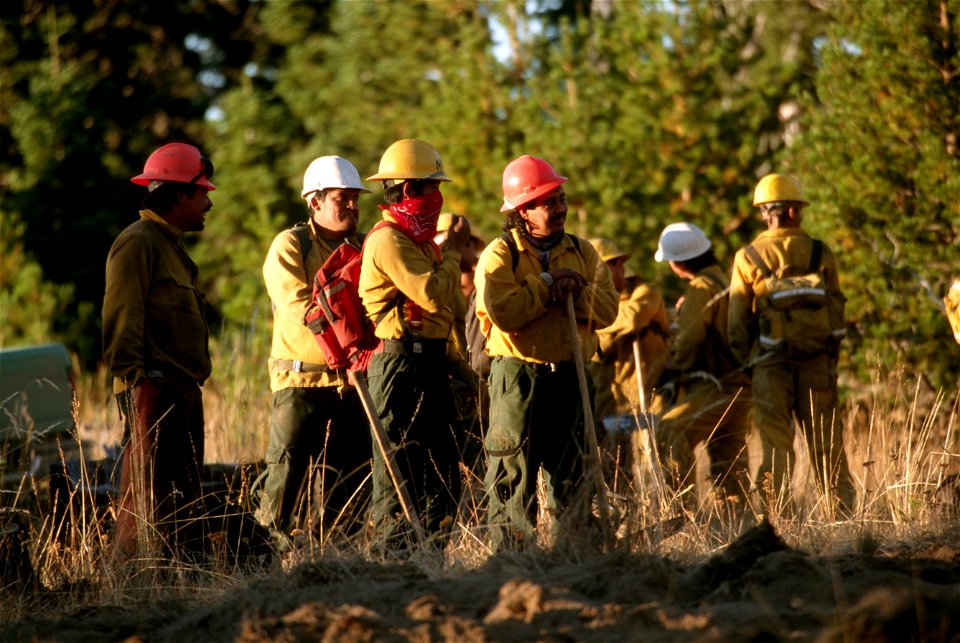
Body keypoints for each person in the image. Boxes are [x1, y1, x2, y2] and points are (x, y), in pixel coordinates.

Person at [474, 155, 619, 551]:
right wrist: (545, 284)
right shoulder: (499, 255)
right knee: (512, 473)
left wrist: (576, 288)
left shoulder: (582, 251)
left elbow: (608, 310)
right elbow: (505, 313)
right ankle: (512, 562)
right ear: (522, 211)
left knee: (573, 471)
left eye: (560, 199)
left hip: (571, 374)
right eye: (547, 202)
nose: (559, 209)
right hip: (517, 378)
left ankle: (575, 558)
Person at [103, 142, 215, 558]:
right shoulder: (138, 243)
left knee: (181, 501)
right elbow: (121, 317)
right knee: (144, 500)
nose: (208, 202)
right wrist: (136, 384)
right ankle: (131, 587)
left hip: (181, 391)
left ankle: (174, 585)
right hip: (153, 391)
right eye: (203, 192)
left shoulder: (171, 247)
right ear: (179, 193)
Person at [359, 139, 471, 544]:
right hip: (399, 366)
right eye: (432, 187)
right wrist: (455, 252)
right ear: (408, 190)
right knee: (398, 474)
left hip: (431, 362)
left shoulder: (418, 241)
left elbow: (442, 314)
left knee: (442, 471)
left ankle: (432, 558)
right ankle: (394, 567)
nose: (438, 197)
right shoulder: (388, 239)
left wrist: (459, 367)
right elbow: (431, 293)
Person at [257, 156, 373, 544]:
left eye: (356, 198)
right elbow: (299, 306)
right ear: (315, 202)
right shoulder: (290, 245)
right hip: (301, 382)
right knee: (285, 477)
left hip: (351, 385)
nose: (354, 206)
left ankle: (339, 558)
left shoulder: (364, 248)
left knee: (351, 480)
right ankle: (266, 556)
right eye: (344, 198)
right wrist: (350, 338)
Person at [728, 174, 855, 515]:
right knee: (828, 446)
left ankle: (776, 521)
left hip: (770, 365)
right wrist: (829, 358)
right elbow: (836, 307)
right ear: (796, 211)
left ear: (763, 213)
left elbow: (737, 322)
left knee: (776, 446)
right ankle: (844, 516)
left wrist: (751, 361)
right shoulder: (820, 252)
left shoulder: (748, 256)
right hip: (817, 364)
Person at [654, 223, 752, 502]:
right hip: (741, 386)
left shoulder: (700, 288)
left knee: (670, 431)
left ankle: (682, 513)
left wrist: (675, 368)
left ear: (679, 262)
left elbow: (689, 338)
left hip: (715, 386)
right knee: (728, 457)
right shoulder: (726, 281)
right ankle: (737, 525)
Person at [587, 238, 669, 422]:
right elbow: (593, 350)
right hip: (611, 403)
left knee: (654, 448)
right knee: (612, 450)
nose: (621, 268)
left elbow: (632, 318)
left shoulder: (647, 292)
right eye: (615, 263)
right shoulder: (590, 305)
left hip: (651, 400)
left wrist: (596, 329)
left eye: (620, 263)